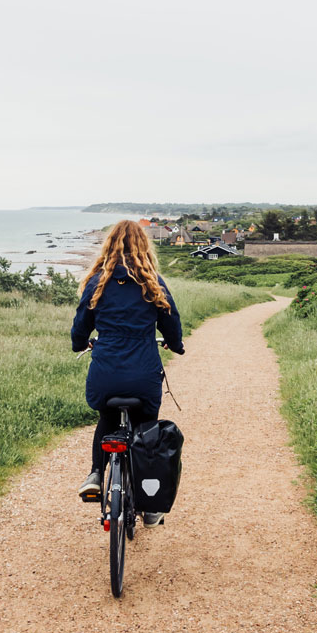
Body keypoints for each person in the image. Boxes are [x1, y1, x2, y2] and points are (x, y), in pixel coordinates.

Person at [71, 220, 184, 521]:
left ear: (109, 247)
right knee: (147, 427)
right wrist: (176, 344)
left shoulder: (97, 283)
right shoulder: (153, 283)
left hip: (106, 377)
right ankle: (149, 506)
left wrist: (80, 343)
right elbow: (171, 322)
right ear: (143, 248)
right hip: (144, 376)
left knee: (107, 417)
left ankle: (96, 474)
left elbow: (80, 325)